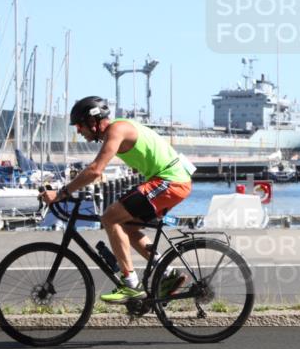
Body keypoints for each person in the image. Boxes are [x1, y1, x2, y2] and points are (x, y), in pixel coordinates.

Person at [39, 96, 193, 304]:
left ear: (93, 121)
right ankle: (168, 273)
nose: (78, 131)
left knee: (110, 218)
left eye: (79, 125)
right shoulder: (118, 130)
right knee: (127, 225)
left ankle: (130, 285)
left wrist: (61, 193)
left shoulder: (116, 130)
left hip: (170, 181)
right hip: (171, 181)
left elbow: (95, 170)